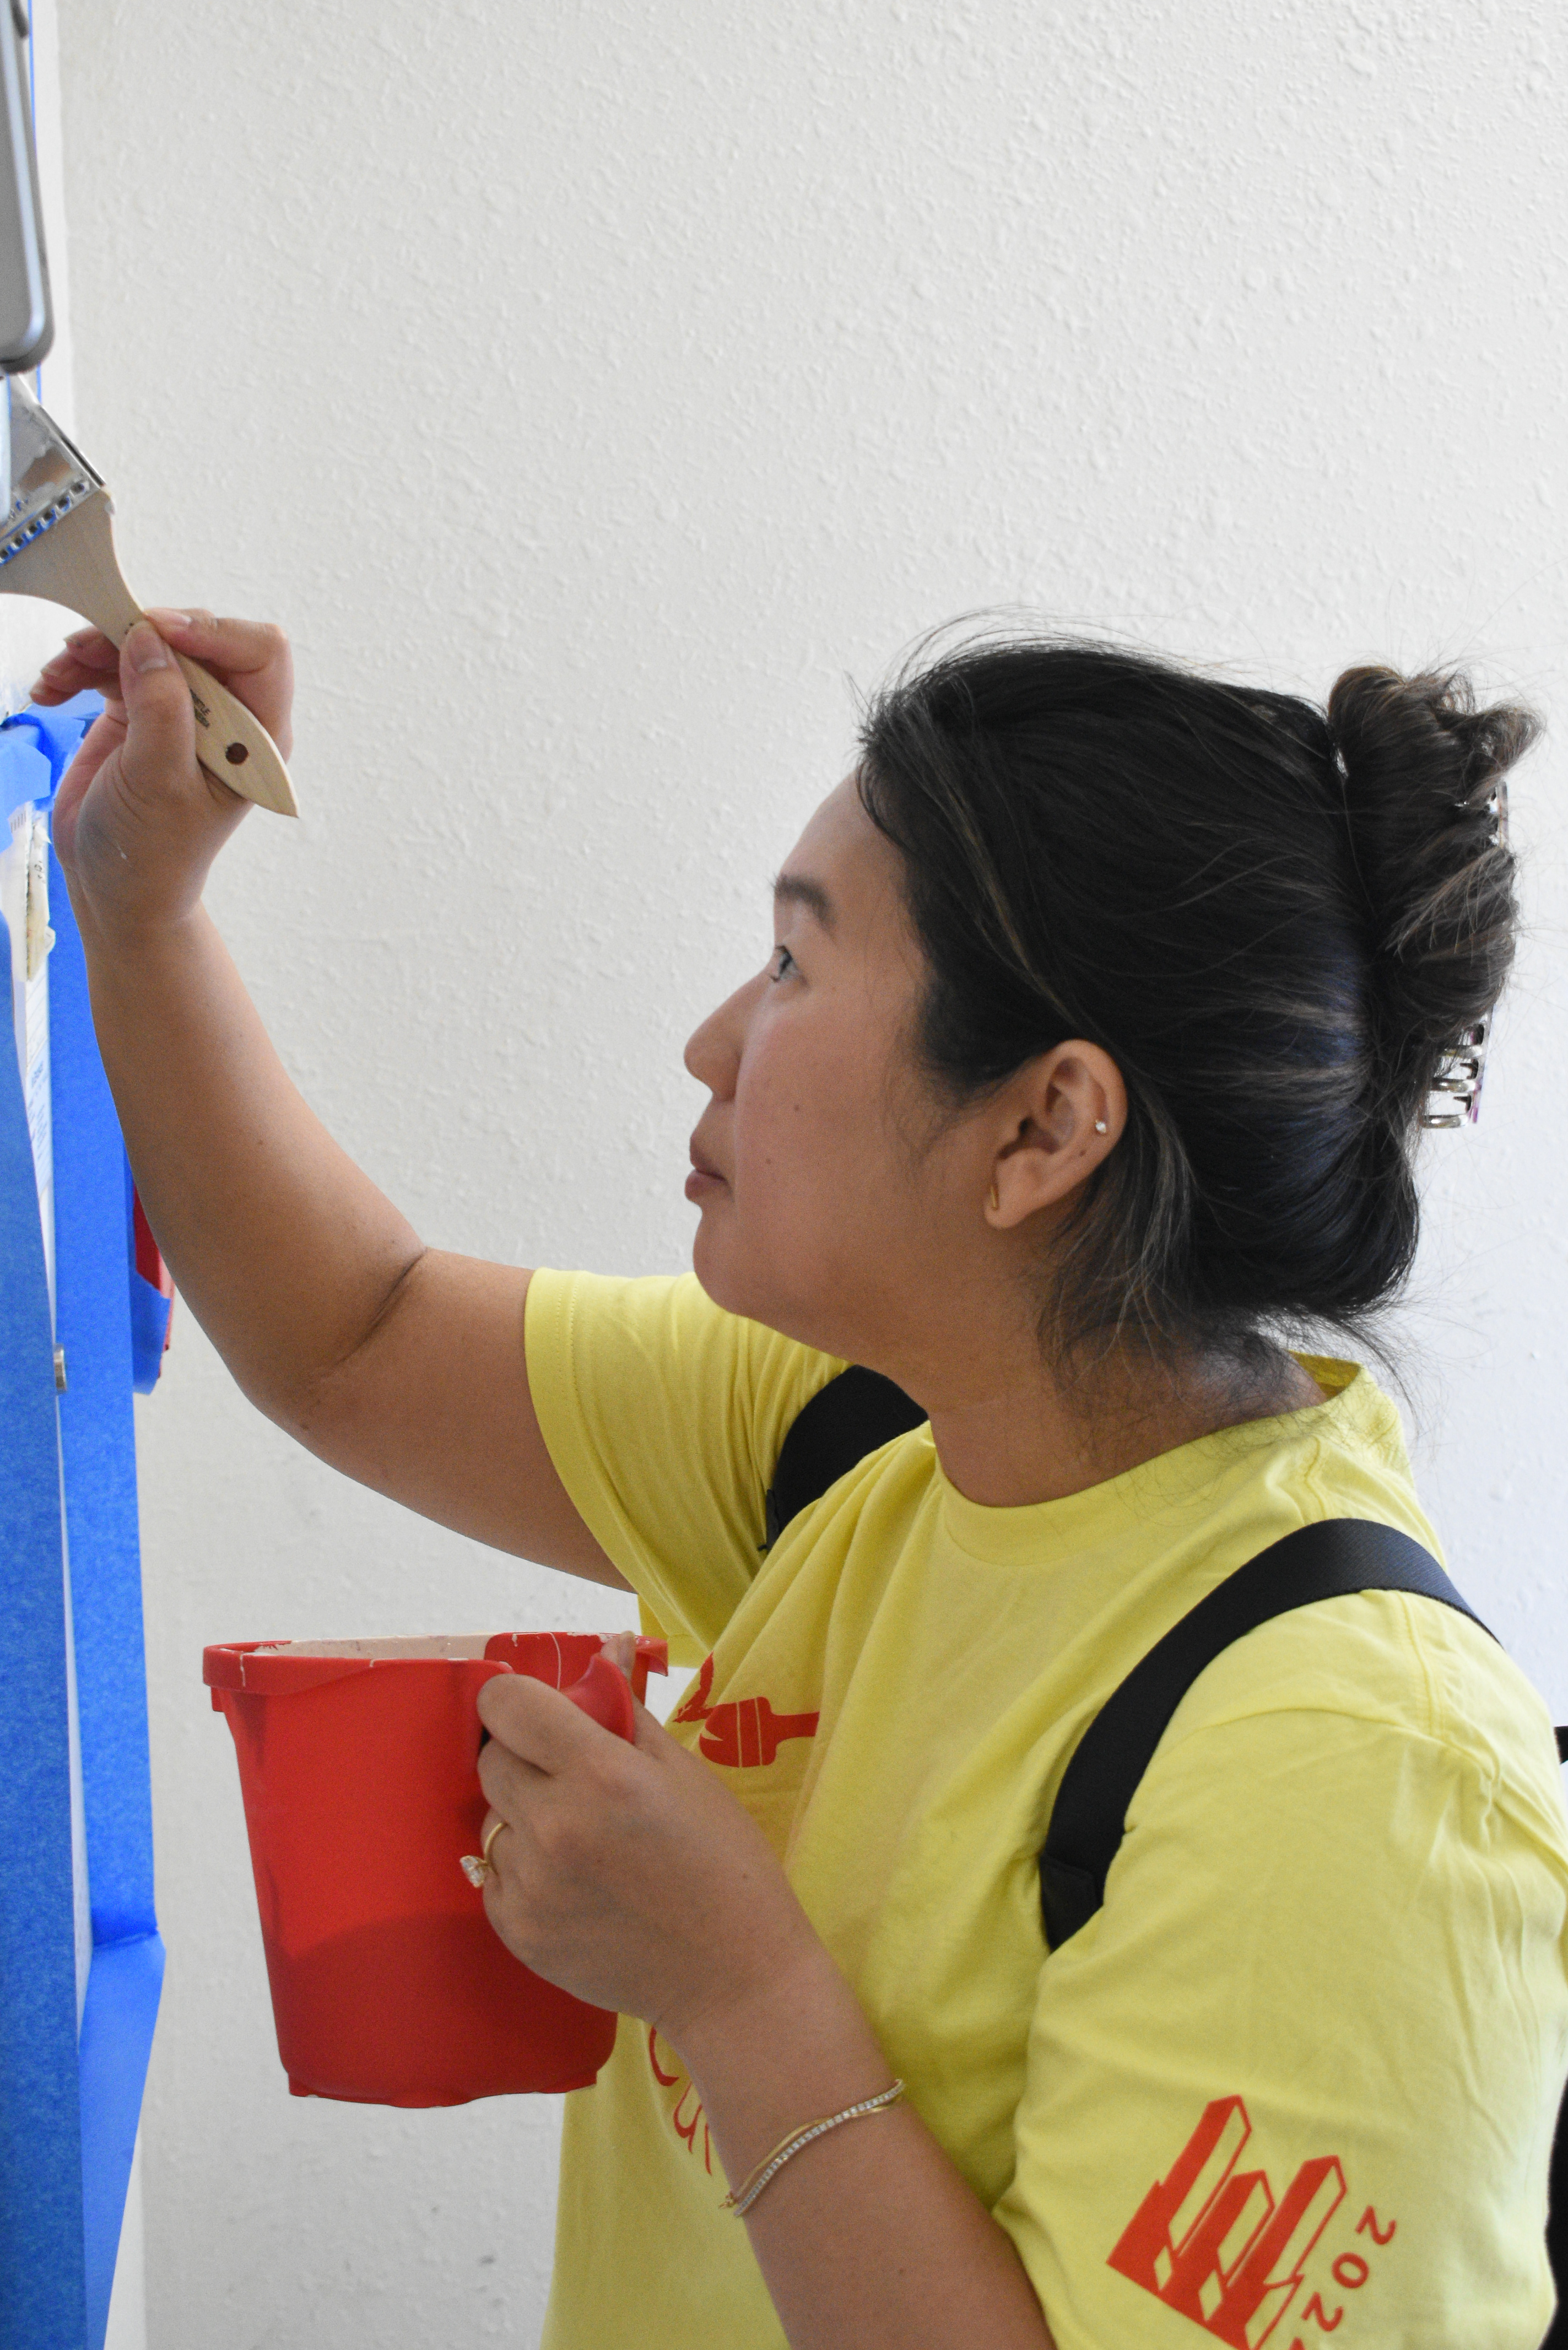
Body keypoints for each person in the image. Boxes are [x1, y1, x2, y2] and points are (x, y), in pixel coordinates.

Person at [37, 611, 1568, 2350]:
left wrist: (741, 1988)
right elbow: (360, 1335)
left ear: (1043, 1131)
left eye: (791, 965)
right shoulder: (869, 1431)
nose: (711, 1042)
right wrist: (138, 902)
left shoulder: (1360, 1770)